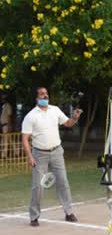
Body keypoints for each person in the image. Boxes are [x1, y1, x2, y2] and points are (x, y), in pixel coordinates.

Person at [21, 87, 81, 227]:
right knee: (38, 186)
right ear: (37, 98)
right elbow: (24, 139)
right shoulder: (31, 116)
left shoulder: (55, 110)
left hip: (57, 152)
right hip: (39, 154)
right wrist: (29, 157)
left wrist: (75, 118)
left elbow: (68, 123)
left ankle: (68, 212)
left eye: (46, 94)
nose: (45, 96)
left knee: (63, 183)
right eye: (42, 94)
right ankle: (34, 217)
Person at [1, 92, 13, 158]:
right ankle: (16, 151)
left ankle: (4, 155)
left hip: (6, 125)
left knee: (5, 140)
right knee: (9, 139)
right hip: (3, 125)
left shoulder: (8, 105)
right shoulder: (4, 106)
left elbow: (9, 116)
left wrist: (9, 126)